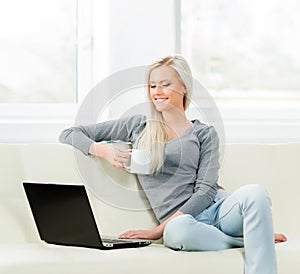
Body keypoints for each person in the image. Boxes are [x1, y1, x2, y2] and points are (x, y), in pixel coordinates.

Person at [59, 55, 287, 274]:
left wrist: (157, 231)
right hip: (183, 224)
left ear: (184, 87)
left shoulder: (203, 133)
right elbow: (70, 133)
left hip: (218, 210)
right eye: (152, 86)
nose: (157, 92)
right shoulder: (138, 125)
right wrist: (104, 151)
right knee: (179, 232)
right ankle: (247, 239)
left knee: (256, 193)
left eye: (165, 84)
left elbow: (206, 190)